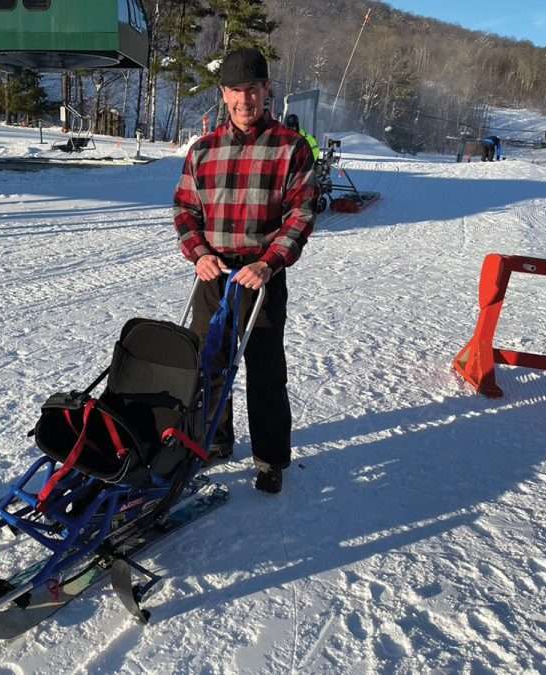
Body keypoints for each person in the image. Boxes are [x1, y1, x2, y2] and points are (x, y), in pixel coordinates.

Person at [173, 47, 316, 494]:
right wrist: (198, 253)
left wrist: (270, 261)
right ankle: (215, 439)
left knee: (265, 369)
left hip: (261, 274)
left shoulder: (289, 148)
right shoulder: (204, 151)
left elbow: (302, 213)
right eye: (235, 91)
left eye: (252, 90)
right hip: (214, 273)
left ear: (266, 91)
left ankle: (270, 458)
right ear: (224, 94)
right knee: (206, 360)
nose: (244, 100)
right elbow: (184, 209)